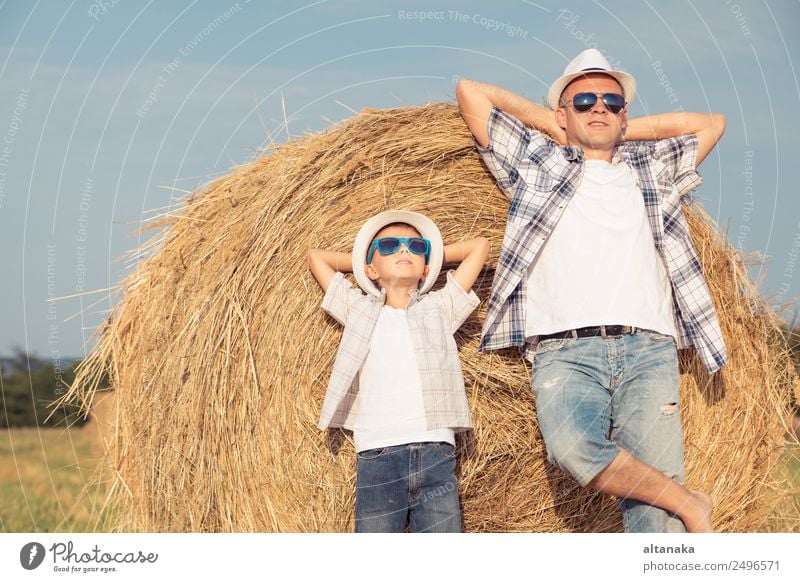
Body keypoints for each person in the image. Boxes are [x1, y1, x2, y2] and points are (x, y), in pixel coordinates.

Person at [455, 48, 728, 532]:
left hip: (648, 346)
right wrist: (554, 124)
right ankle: (689, 504)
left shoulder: (651, 166)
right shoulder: (537, 162)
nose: (599, 107)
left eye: (611, 101)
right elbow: (471, 93)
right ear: (563, 113)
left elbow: (712, 123)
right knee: (573, 448)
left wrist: (618, 127)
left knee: (650, 510)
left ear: (626, 113)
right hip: (564, 347)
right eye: (584, 102)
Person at [307, 210, 489, 532]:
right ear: (370, 268)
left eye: (415, 247)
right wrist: (365, 265)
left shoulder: (438, 308)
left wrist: (432, 251)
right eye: (390, 245)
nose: (404, 250)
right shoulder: (358, 310)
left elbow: (480, 247)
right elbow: (316, 257)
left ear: (426, 267)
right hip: (377, 454)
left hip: (436, 450)